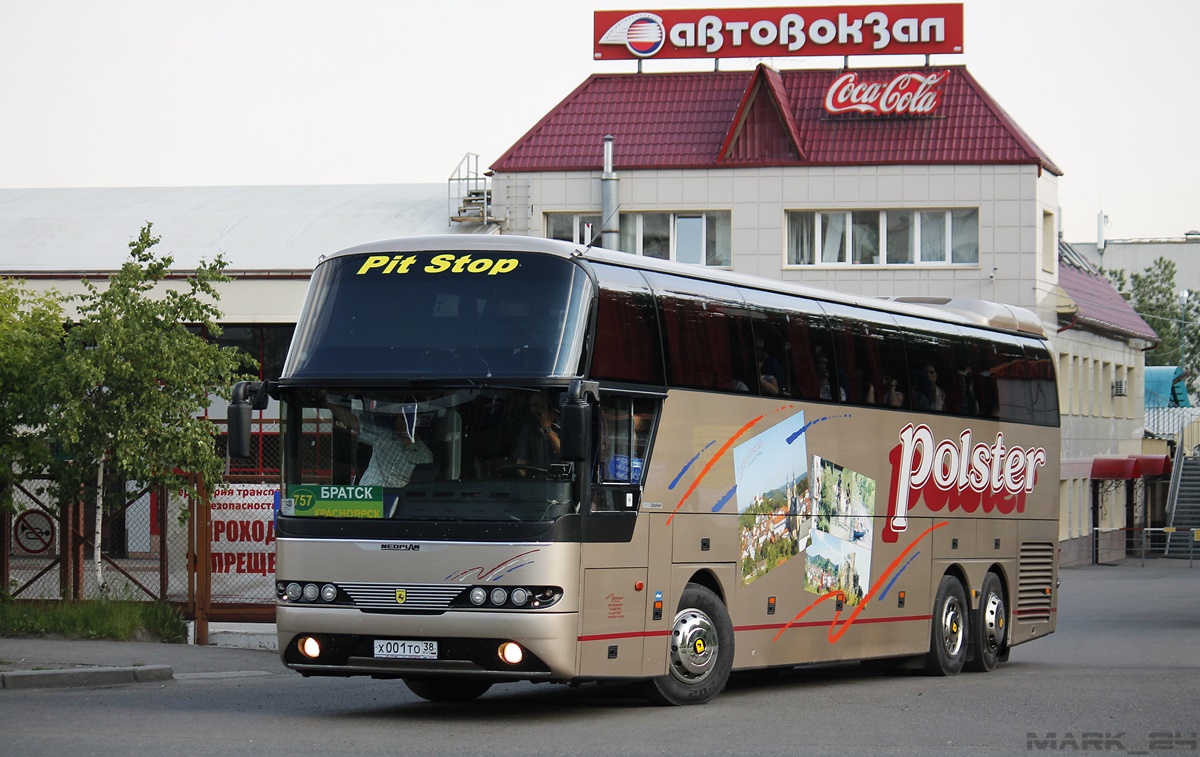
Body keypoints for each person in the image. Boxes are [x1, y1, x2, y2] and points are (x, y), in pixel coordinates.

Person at [329, 401, 433, 487]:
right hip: (367, 499)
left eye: (403, 418)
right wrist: (327, 399)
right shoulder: (383, 435)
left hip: (397, 503)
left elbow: (419, 489)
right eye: (397, 418)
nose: (398, 422)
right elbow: (353, 423)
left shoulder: (424, 455)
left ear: (416, 421)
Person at [514, 391, 562, 472]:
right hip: (537, 483)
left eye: (535, 406)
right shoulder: (529, 430)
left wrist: (548, 430)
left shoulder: (565, 427)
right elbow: (521, 464)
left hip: (561, 483)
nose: (532, 411)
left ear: (548, 407)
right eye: (531, 406)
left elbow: (565, 457)